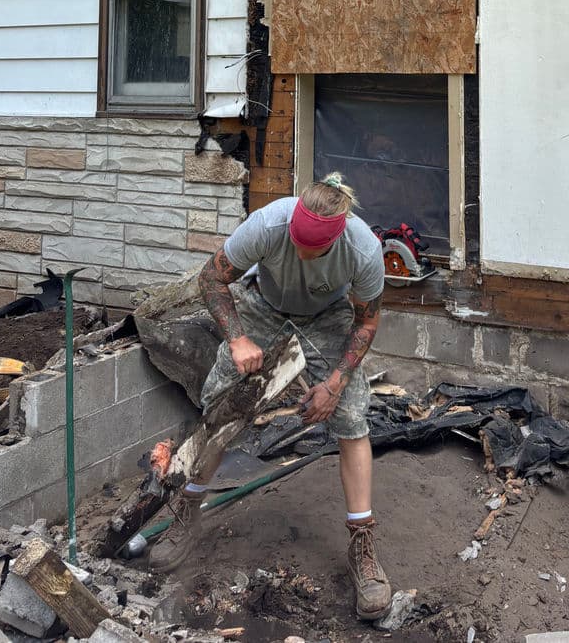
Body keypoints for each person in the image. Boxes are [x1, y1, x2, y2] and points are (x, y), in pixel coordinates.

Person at [148, 173, 391, 621]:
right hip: (264, 306)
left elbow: (367, 322)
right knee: (220, 407)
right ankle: (188, 509)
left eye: (311, 250)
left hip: (328, 316)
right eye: (296, 242)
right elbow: (211, 278)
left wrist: (334, 385)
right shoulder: (267, 224)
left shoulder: (362, 249)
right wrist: (238, 339)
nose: (300, 253)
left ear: (334, 241)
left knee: (353, 418)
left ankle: (362, 544)